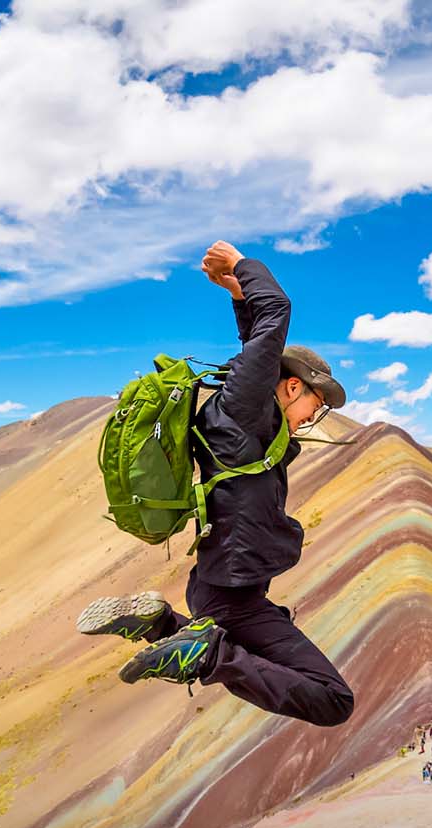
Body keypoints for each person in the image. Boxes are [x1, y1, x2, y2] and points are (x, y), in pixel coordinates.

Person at [75, 241, 354, 727]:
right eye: (317, 401)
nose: (316, 414)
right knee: (333, 700)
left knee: (234, 640)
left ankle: (158, 624)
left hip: (219, 585)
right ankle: (201, 655)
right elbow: (276, 316)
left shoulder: (245, 414)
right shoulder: (245, 407)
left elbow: (256, 345)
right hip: (233, 591)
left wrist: (238, 295)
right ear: (292, 387)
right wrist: (243, 267)